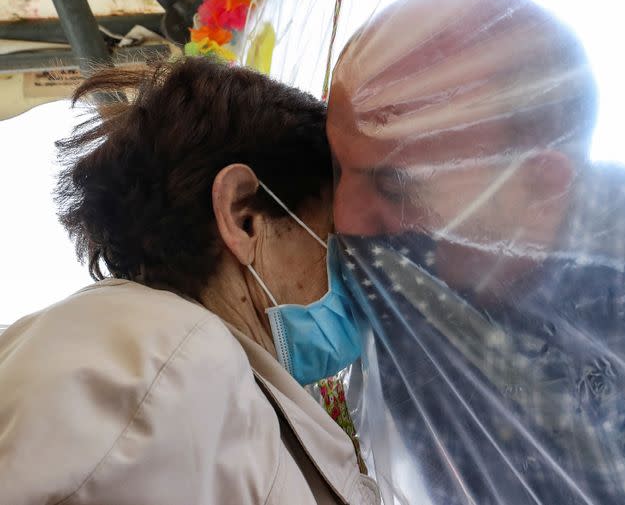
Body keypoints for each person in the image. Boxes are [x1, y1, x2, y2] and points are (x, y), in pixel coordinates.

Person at [327, 0, 625, 504]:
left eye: (396, 185)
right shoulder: (390, 274)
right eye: (334, 168)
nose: (344, 220)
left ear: (539, 182)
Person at [0, 58, 379, 505]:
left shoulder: (202, 367)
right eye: (336, 241)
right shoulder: (167, 361)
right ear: (243, 218)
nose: (360, 276)